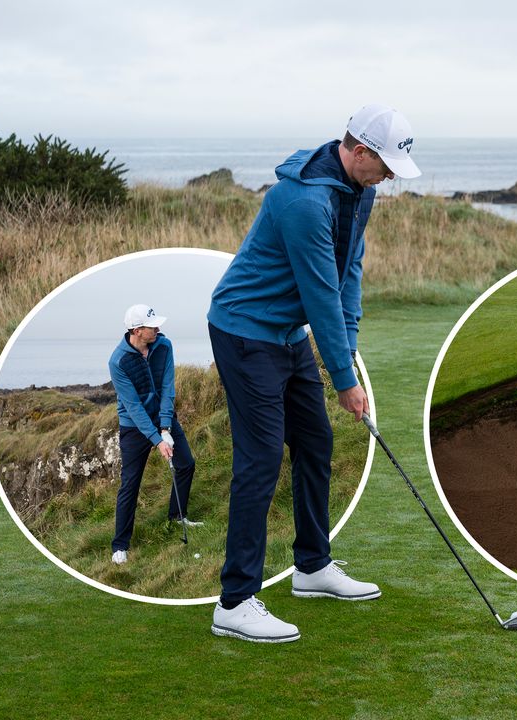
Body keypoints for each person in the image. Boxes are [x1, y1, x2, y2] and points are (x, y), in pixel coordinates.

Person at [206, 104, 419, 643]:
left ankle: (312, 567)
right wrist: (345, 380)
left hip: (289, 334)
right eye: (387, 166)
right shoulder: (301, 201)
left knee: (315, 441)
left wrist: (348, 352)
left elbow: (348, 275)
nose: (391, 178)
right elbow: (319, 292)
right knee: (260, 459)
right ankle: (234, 602)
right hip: (246, 330)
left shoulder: (359, 191)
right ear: (362, 152)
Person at [107, 304, 199, 564]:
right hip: (134, 427)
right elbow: (133, 407)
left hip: (163, 417)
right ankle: (120, 545)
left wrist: (166, 427)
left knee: (186, 465)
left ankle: (176, 517)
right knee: (130, 484)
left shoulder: (164, 345)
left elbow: (168, 386)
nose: (158, 328)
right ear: (137, 330)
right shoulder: (118, 361)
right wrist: (157, 440)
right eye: (152, 326)